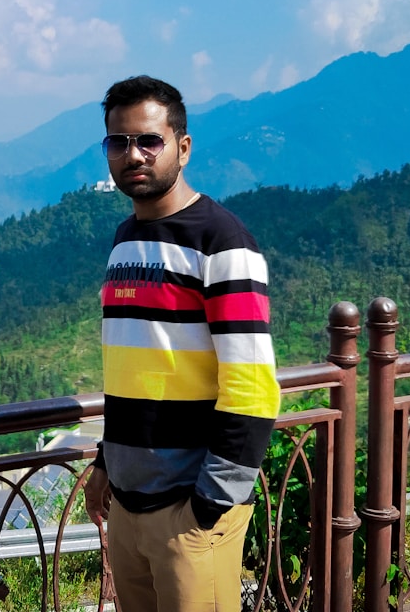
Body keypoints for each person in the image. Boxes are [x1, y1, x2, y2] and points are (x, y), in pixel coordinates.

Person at [84, 75, 280, 612]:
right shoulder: (126, 240)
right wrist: (106, 462)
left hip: (189, 512)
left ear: (183, 147)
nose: (133, 155)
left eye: (150, 140)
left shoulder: (222, 242)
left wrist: (208, 506)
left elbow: (253, 389)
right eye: (119, 142)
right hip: (128, 507)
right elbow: (135, 370)